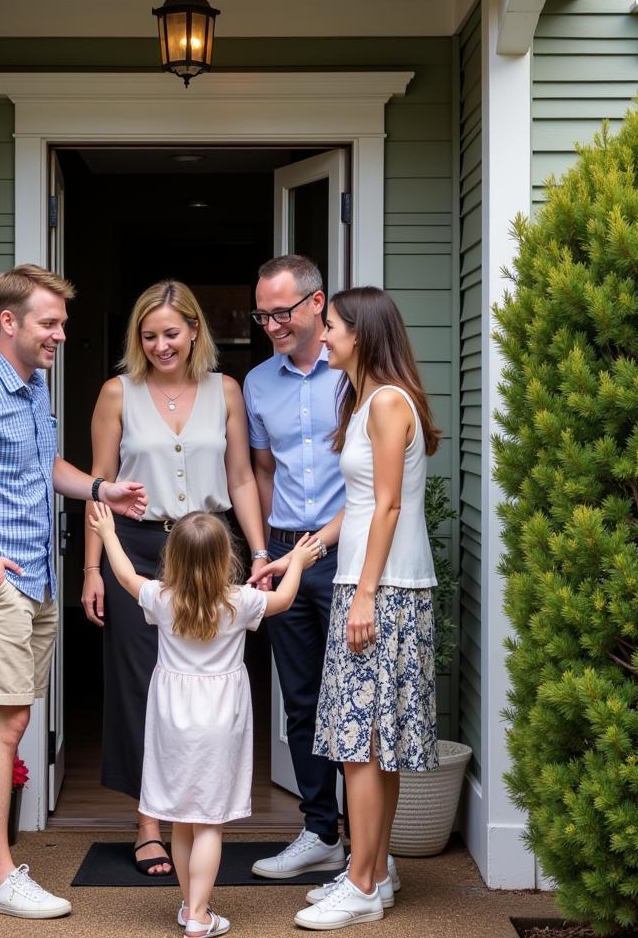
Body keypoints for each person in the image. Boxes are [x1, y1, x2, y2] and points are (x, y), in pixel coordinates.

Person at [0, 264, 148, 919]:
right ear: (9, 322)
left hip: (36, 578)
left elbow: (44, 466)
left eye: (63, 323)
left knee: (9, 722)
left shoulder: (30, 385)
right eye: (50, 323)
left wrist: (103, 490)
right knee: (5, 721)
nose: (61, 335)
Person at [260, 286, 441, 931]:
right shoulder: (364, 400)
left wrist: (363, 591)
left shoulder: (389, 402)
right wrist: (300, 556)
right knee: (372, 743)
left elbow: (389, 505)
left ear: (360, 332)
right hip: (369, 584)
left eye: (331, 325)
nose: (323, 334)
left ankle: (361, 883)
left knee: (362, 745)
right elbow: (357, 507)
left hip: (384, 591)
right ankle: (375, 869)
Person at [81, 280, 269, 878]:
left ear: (194, 331)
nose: (161, 345)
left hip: (211, 547)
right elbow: (99, 486)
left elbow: (240, 478)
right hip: (136, 548)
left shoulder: (227, 391)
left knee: (209, 685)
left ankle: (202, 812)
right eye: (149, 335)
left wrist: (260, 551)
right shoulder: (117, 393)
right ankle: (148, 825)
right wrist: (92, 568)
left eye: (171, 333)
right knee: (144, 685)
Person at [88, 503, 321, 938]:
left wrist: (107, 532)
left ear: (171, 557)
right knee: (209, 820)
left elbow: (124, 576)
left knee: (180, 817)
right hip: (219, 718)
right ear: (224, 558)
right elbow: (286, 599)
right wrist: (300, 563)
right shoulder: (240, 601)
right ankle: (198, 913)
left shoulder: (162, 598)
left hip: (172, 717)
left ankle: (190, 904)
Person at [242, 255, 354, 881]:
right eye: (263, 315)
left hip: (350, 552)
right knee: (302, 697)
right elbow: (261, 472)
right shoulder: (258, 383)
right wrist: (262, 553)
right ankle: (320, 832)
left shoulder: (355, 377)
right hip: (285, 551)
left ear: (316, 304)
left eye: (281, 312)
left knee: (355, 702)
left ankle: (367, 846)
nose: (271, 325)